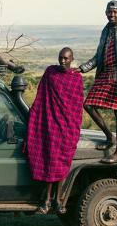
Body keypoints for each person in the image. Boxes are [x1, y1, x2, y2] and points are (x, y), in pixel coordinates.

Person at [74, 0, 117, 163]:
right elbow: (98, 56)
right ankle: (110, 137)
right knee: (88, 104)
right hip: (104, 73)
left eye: (115, 12)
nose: (112, 15)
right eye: (109, 12)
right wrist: (82, 68)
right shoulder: (105, 30)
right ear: (106, 13)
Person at [24, 47, 84, 214]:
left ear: (72, 59)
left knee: (61, 164)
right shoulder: (50, 72)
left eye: (66, 58)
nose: (62, 61)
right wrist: (34, 113)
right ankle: (47, 200)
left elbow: (77, 105)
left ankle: (58, 199)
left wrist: (74, 126)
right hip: (50, 126)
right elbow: (41, 96)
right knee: (50, 161)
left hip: (66, 128)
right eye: (60, 58)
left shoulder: (76, 79)